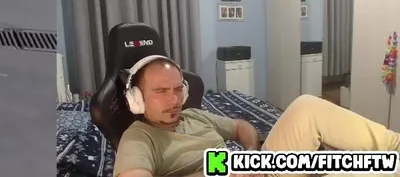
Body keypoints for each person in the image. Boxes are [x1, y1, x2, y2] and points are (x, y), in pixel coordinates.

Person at [114, 56, 400, 177]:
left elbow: (241, 126)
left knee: (306, 107)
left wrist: (250, 155)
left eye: (178, 89)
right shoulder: (139, 138)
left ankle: (393, 146)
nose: (174, 99)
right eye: (161, 91)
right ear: (137, 99)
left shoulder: (195, 116)